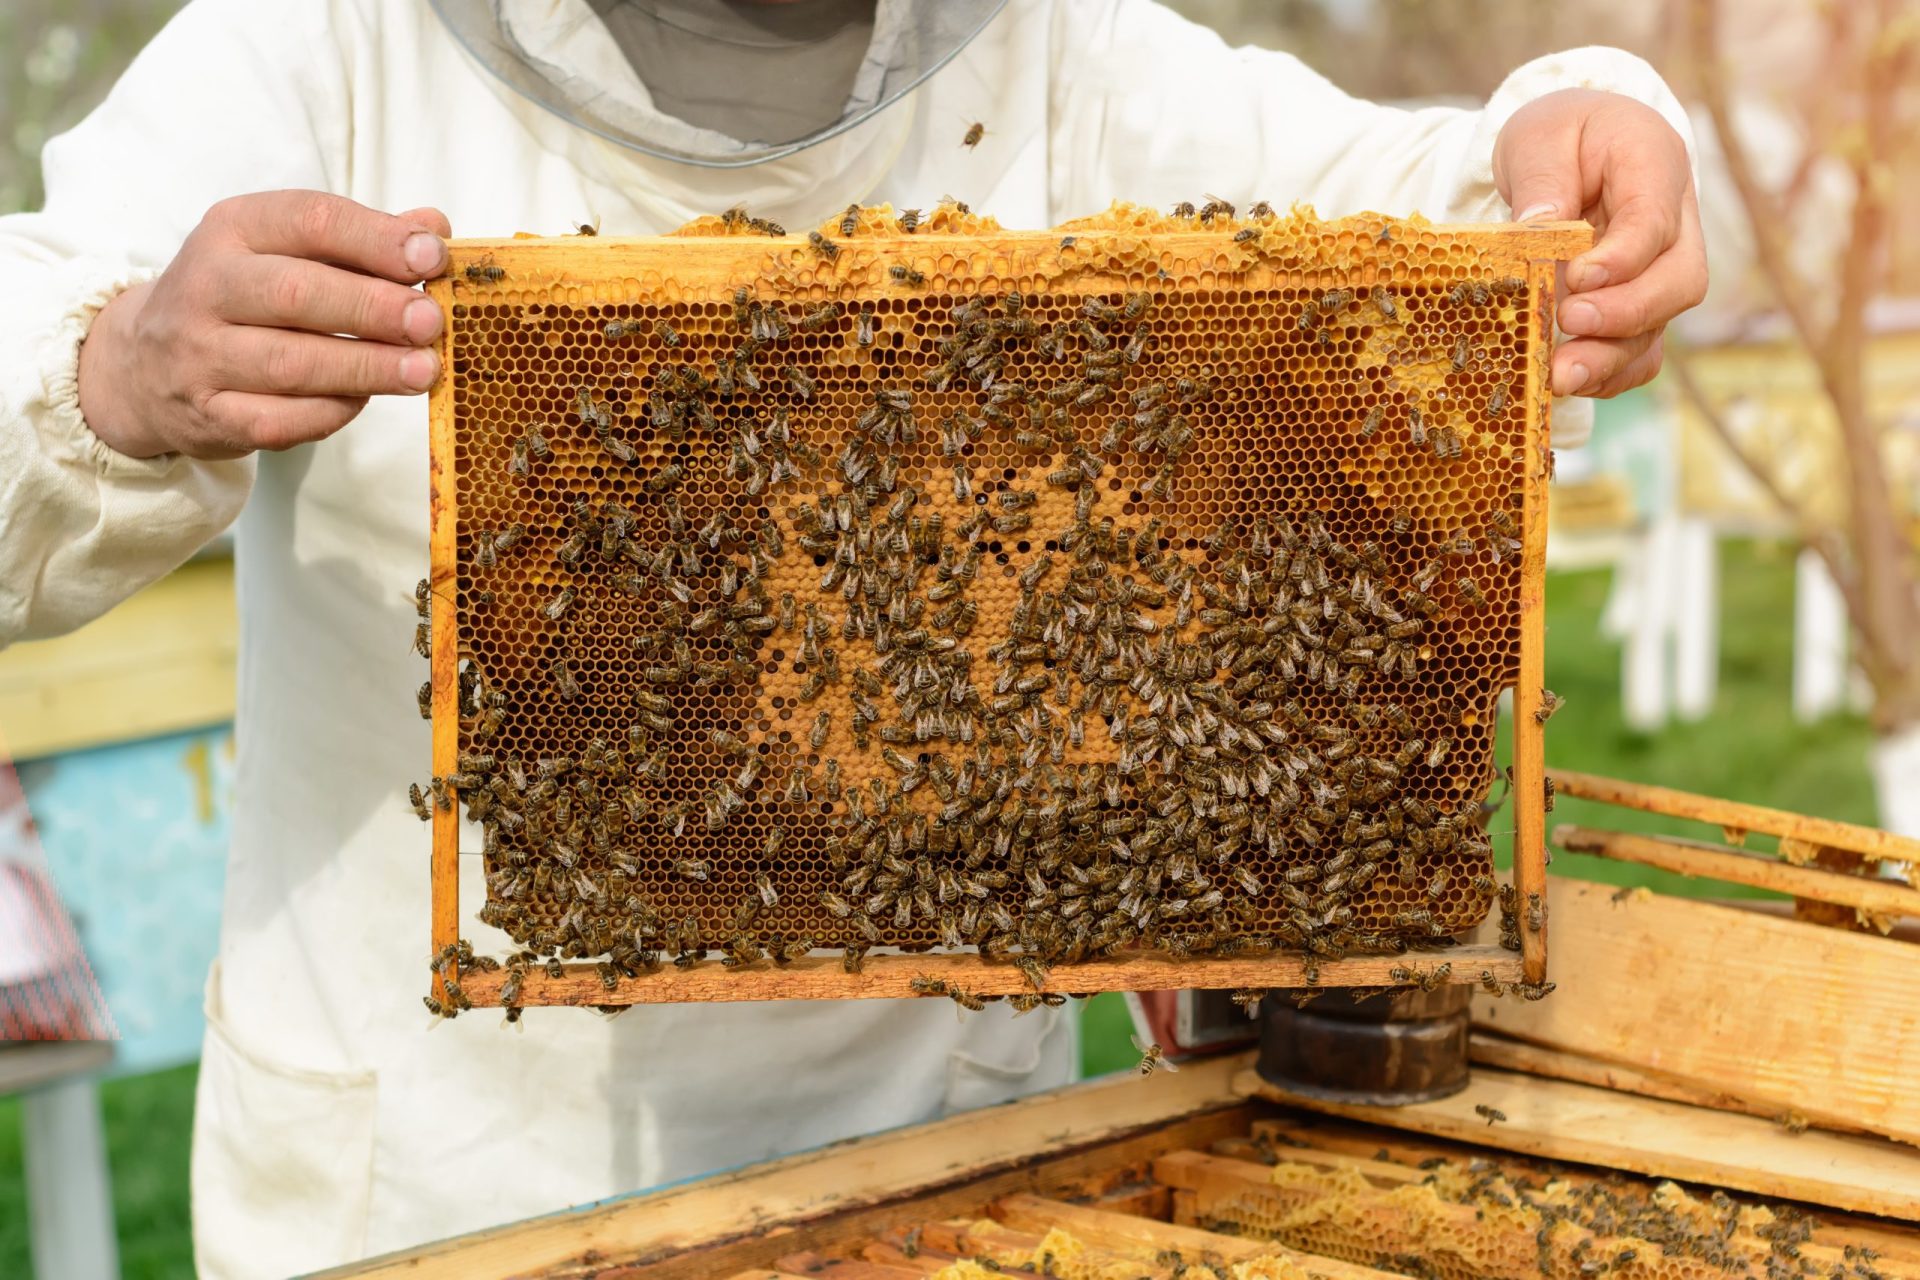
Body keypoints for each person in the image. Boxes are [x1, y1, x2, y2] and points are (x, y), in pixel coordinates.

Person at [0, 2, 1706, 1276]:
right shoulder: (312, 44)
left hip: (958, 1158)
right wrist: (122, 372)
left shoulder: (1050, 50)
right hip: (445, 1185)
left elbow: (1427, 200)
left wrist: (1581, 115)